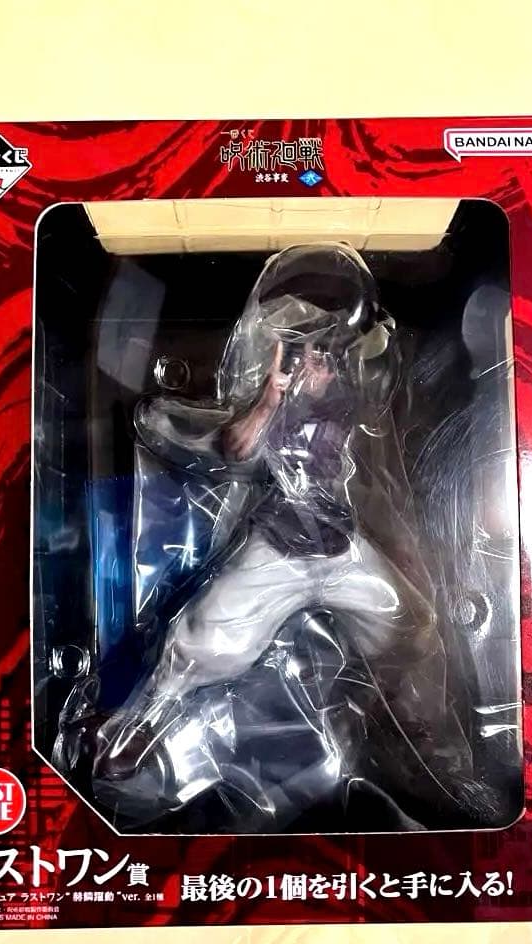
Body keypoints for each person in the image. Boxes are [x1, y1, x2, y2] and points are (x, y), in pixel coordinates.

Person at [85, 244, 446, 827]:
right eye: (308, 354)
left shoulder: (349, 399)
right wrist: (270, 397)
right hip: (279, 547)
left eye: (327, 355)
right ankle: (141, 725)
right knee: (205, 640)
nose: (318, 366)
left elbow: (372, 384)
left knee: (409, 624)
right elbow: (236, 448)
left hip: (339, 547)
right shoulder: (272, 406)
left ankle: (400, 725)